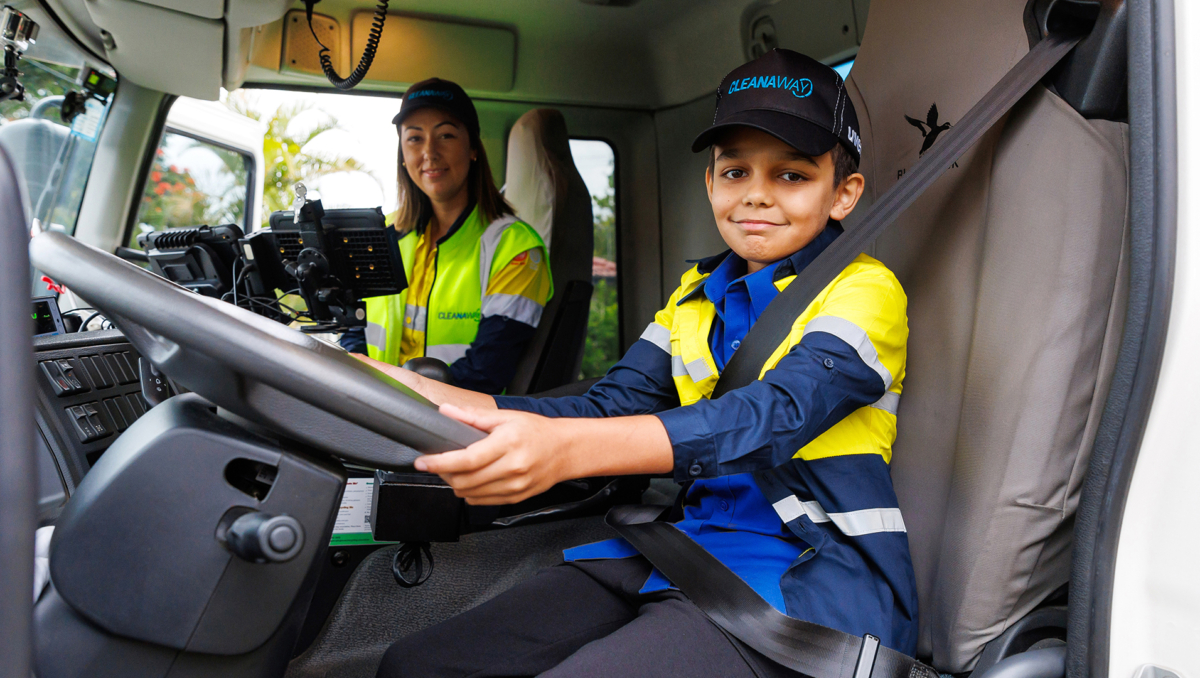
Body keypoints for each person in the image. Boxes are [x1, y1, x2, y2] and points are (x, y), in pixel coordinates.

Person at [360, 49, 917, 678]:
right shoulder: (693, 297)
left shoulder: (865, 290)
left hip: (805, 583)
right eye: (735, 173)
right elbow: (608, 404)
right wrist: (420, 393)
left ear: (843, 194)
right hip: (682, 549)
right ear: (710, 184)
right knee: (417, 664)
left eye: (792, 176)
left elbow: (773, 416)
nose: (757, 195)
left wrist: (567, 451)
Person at [340, 78, 553, 395]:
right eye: (414, 138)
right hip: (376, 412)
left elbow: (485, 373)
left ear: (473, 150)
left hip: (457, 426)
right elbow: (352, 329)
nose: (429, 152)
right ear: (402, 154)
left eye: (446, 135)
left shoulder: (517, 250)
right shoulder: (379, 235)